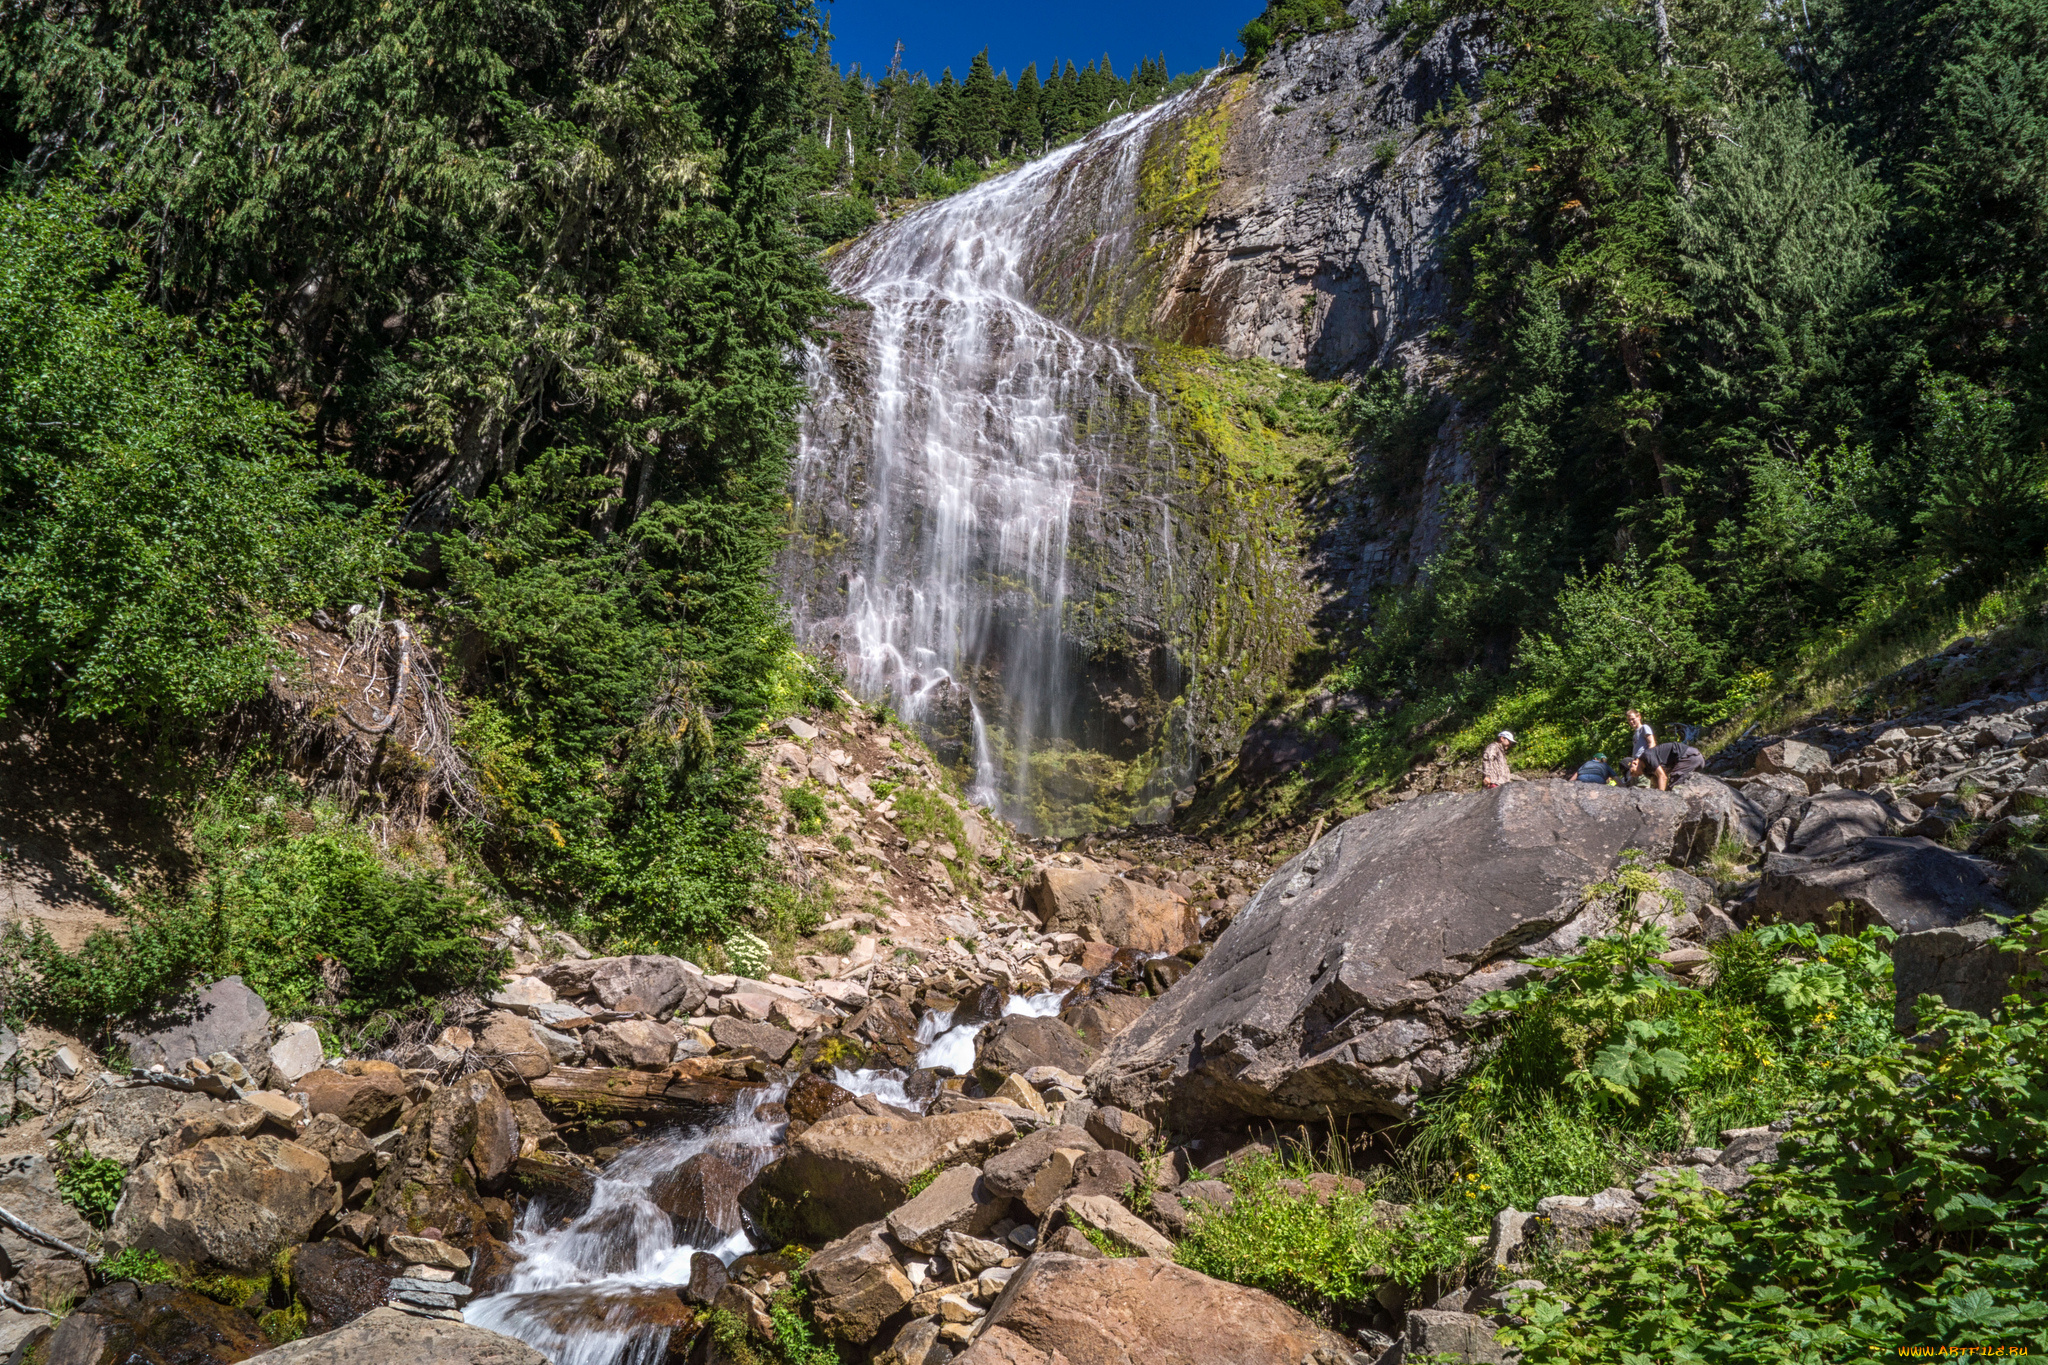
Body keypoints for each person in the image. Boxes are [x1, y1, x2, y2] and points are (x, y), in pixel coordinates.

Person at [1632, 739, 1704, 790]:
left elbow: (1663, 777)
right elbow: (1657, 786)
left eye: (1632, 772)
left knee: (1674, 789)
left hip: (1690, 757)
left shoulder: (1647, 756)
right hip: (1695, 760)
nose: (1633, 776)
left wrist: (1661, 800)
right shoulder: (1646, 771)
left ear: (1634, 763)